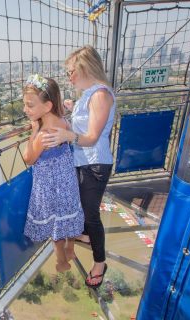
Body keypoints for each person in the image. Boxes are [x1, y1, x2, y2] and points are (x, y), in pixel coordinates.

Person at [42, 46, 116, 288]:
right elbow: (90, 120)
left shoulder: (100, 95)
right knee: (81, 207)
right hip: (83, 161)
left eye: (72, 71)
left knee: (91, 215)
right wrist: (75, 107)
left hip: (94, 163)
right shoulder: (90, 95)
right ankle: (85, 235)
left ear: (85, 68)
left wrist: (67, 135)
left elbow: (92, 136)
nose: (70, 77)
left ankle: (100, 263)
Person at [22, 74, 84, 273]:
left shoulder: (43, 135)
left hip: (50, 189)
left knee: (56, 226)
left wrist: (32, 132)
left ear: (47, 106)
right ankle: (71, 249)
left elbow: (28, 158)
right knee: (69, 217)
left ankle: (61, 260)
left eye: (30, 105)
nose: (25, 110)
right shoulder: (63, 122)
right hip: (67, 184)